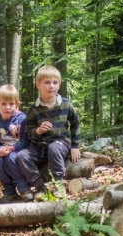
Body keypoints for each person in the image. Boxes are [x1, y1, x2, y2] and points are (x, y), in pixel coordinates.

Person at [15, 65, 81, 195]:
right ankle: (40, 187)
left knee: (54, 148)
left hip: (60, 143)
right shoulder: (33, 109)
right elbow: (28, 133)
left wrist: (75, 146)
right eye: (47, 82)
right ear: (38, 85)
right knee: (21, 156)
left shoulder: (66, 104)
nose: (51, 86)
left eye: (55, 82)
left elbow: (75, 123)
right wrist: (38, 131)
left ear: (59, 84)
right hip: (39, 146)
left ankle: (58, 185)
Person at [0, 84, 32, 203]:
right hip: (3, 152)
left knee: (10, 158)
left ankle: (24, 188)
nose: (8, 107)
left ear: (17, 104)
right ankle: (9, 190)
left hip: (18, 150)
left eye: (11, 104)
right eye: (3, 104)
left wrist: (12, 148)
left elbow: (25, 141)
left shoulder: (22, 120)